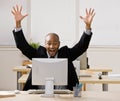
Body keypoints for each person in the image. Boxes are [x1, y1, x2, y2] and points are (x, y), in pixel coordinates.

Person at [11, 5, 95, 91]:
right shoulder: (38, 54)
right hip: (39, 94)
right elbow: (22, 46)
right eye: (49, 43)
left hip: (65, 95)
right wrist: (18, 24)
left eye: (55, 44)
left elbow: (82, 46)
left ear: (59, 44)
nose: (52, 47)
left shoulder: (66, 54)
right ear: (45, 44)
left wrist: (88, 26)